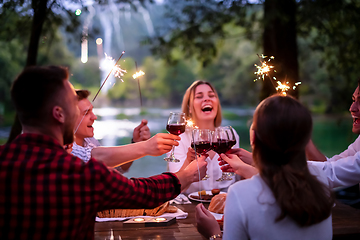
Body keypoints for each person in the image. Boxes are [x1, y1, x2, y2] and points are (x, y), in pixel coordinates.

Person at [0, 65, 207, 239]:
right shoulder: (83, 175)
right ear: (59, 114)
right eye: (74, 105)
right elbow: (144, 192)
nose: (91, 116)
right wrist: (185, 176)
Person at [196, 94, 334, 240]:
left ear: (254, 138)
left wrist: (213, 234)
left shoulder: (240, 194)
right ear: (306, 140)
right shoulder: (321, 179)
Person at [72, 89, 178, 172]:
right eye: (86, 113)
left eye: (92, 111)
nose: (94, 117)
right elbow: (97, 157)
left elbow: (116, 169)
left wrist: (135, 143)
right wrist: (146, 147)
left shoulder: (90, 141)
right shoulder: (64, 148)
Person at [167, 80, 240, 194]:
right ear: (190, 107)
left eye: (211, 95)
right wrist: (188, 160)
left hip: (225, 204)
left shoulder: (230, 135)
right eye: (199, 96)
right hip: (190, 207)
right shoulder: (179, 138)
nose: (207, 99)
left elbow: (237, 180)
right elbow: (176, 189)